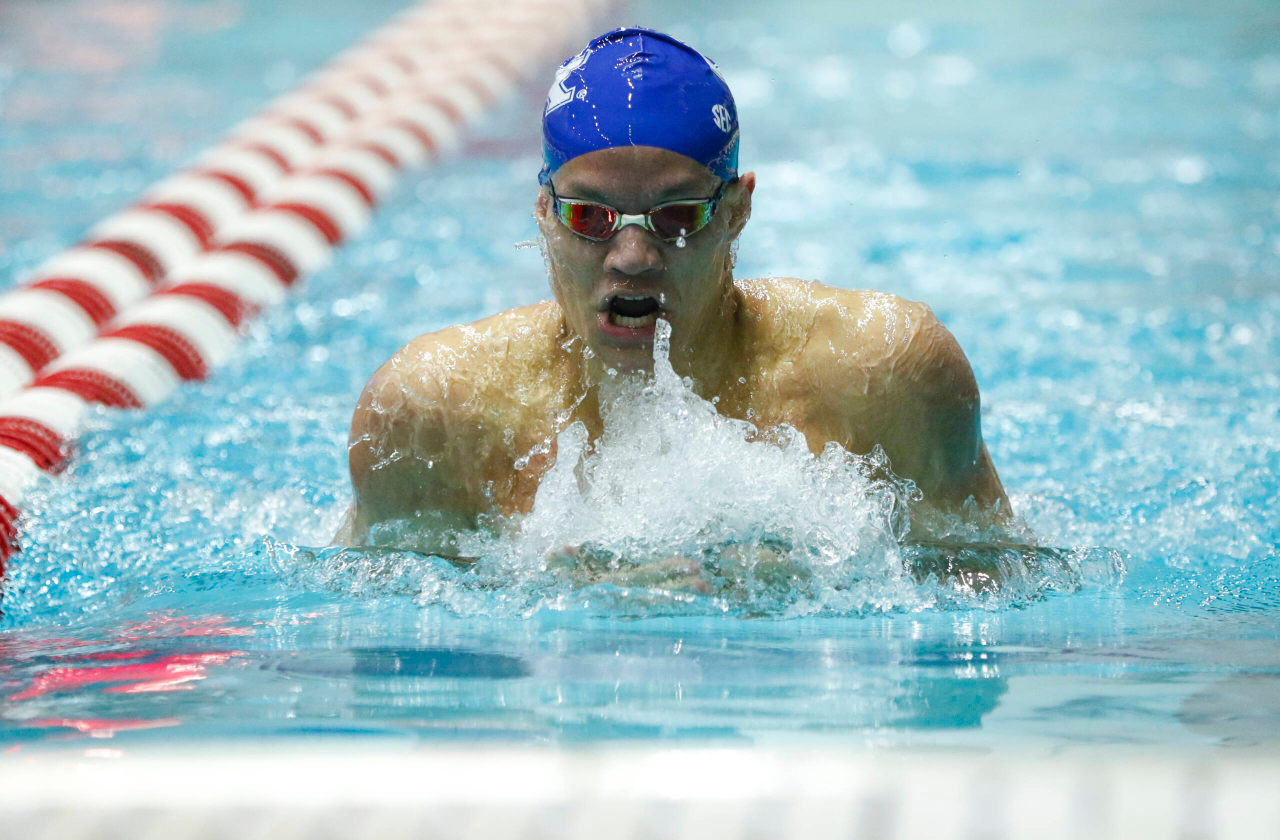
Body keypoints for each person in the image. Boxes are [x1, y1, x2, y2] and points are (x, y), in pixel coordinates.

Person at [342, 27, 1009, 564]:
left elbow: (993, 586)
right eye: (590, 218)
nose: (632, 258)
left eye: (676, 217)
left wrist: (782, 587)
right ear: (544, 213)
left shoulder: (881, 376)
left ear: (736, 212)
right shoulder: (433, 414)